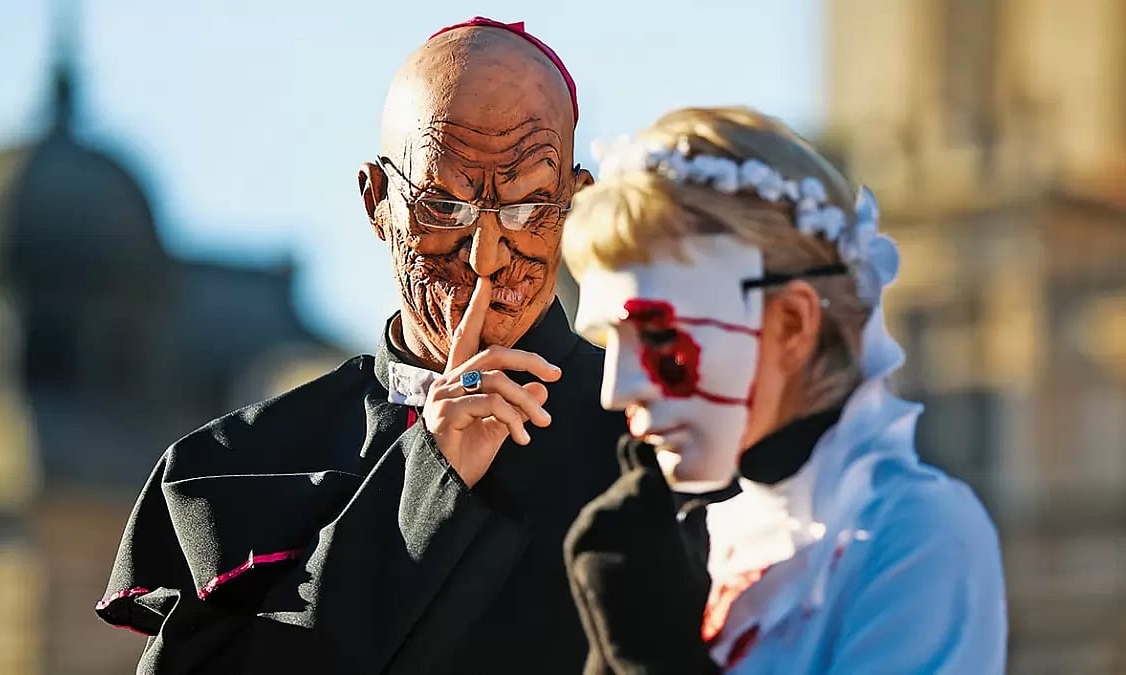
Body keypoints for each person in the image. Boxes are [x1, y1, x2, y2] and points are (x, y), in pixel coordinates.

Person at [95, 18, 624, 674]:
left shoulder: (653, 444)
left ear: (577, 205)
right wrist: (428, 475)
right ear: (377, 201)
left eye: (528, 207)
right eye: (444, 207)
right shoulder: (236, 469)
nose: (487, 257)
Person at [560, 107, 1007, 673]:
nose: (616, 391)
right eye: (608, 341)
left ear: (792, 324)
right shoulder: (713, 540)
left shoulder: (916, 533)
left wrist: (657, 658)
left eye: (657, 334)